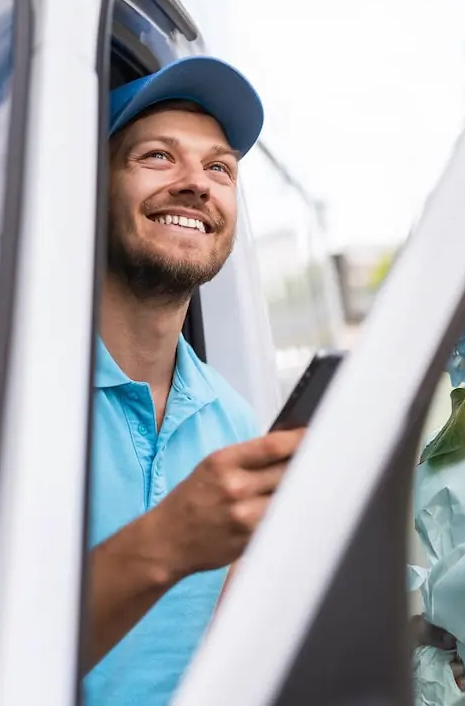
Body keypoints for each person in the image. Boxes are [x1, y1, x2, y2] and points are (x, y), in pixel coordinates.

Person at [84, 56, 305, 706]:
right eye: (157, 156)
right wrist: (165, 542)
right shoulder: (10, 405)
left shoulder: (236, 426)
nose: (196, 185)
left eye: (220, 168)